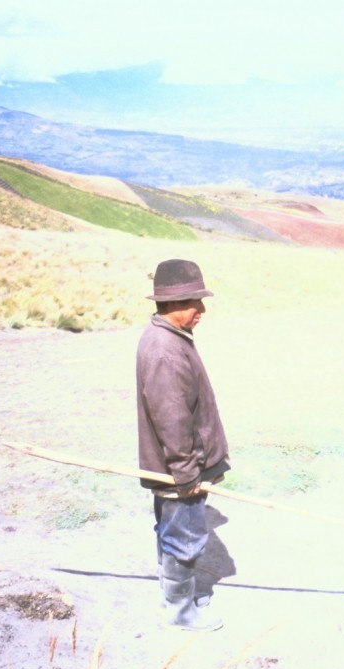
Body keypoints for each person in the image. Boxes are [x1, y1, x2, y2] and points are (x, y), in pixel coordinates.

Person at [136, 258, 230, 632]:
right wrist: (186, 473)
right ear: (174, 303)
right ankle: (179, 611)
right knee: (184, 533)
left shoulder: (167, 338)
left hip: (178, 465)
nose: (202, 310)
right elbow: (172, 419)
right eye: (196, 302)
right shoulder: (165, 351)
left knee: (177, 530)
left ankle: (182, 595)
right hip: (178, 468)